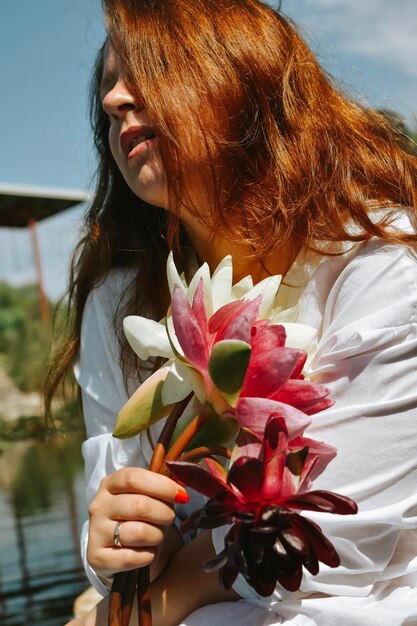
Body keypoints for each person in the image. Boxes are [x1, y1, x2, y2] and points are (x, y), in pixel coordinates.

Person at [46, 0, 417, 624]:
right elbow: (111, 539)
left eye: (148, 68)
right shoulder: (117, 304)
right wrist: (112, 546)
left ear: (241, 81)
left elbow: (342, 540)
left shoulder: (379, 263)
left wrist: (164, 599)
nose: (114, 99)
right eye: (109, 83)